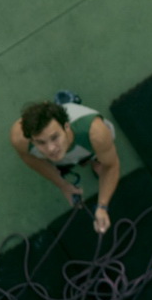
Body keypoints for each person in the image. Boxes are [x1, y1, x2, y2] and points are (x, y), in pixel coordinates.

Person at [10, 99, 121, 234]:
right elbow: (30, 158)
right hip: (70, 152)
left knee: (103, 163)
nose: (51, 148)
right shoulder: (19, 139)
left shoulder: (96, 133)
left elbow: (111, 165)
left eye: (55, 137)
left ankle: (94, 160)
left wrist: (102, 206)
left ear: (66, 126)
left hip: (90, 145)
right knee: (57, 159)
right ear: (32, 140)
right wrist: (63, 185)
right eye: (41, 142)